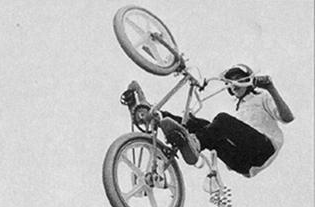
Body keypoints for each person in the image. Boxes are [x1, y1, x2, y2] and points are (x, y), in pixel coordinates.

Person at [124, 65, 294, 178]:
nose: (233, 84)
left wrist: (271, 88)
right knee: (198, 124)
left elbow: (287, 117)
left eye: (238, 79)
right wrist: (191, 123)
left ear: (248, 80)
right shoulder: (239, 108)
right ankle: (153, 114)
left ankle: (196, 143)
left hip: (263, 149)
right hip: (243, 164)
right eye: (230, 81)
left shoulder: (261, 97)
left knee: (221, 120)